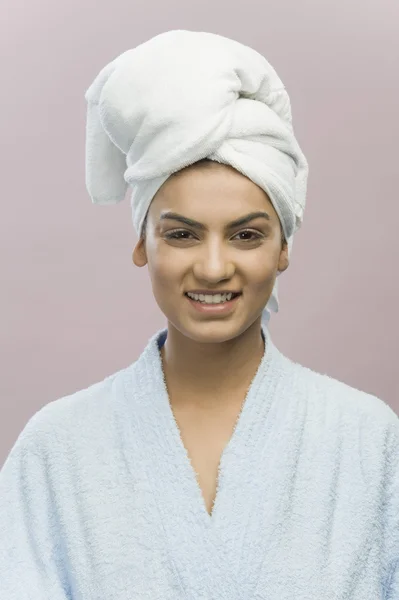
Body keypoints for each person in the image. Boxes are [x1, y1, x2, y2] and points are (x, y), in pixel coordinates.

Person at [1, 30, 398, 600]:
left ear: (283, 247)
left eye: (246, 235)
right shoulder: (55, 449)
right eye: (183, 234)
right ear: (143, 243)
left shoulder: (369, 441)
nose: (214, 268)